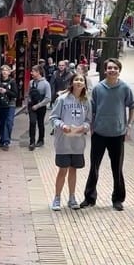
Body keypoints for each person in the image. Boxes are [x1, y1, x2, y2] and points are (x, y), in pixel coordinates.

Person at [81, 58, 134, 211]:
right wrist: (91, 126)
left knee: (117, 168)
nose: (112, 70)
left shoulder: (125, 88)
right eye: (110, 68)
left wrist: (129, 125)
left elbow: (132, 106)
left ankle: (118, 199)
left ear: (119, 71)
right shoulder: (98, 88)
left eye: (115, 68)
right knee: (94, 167)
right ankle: (89, 197)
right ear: (105, 70)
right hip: (99, 133)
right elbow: (92, 109)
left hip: (117, 134)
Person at [48, 74, 91, 211]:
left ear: (84, 84)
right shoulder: (62, 99)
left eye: (81, 80)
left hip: (78, 143)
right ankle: (57, 198)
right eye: (76, 80)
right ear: (72, 82)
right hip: (63, 142)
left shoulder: (86, 101)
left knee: (73, 170)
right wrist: (62, 126)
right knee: (63, 170)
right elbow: (53, 117)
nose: (79, 82)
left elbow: (89, 120)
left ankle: (72, 198)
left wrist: (84, 127)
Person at [0, 64, 18, 151]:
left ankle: (6, 142)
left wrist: (6, 91)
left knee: (9, 122)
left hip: (10, 104)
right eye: (2, 70)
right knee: (2, 123)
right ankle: (2, 140)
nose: (4, 72)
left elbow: (15, 94)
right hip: (1, 104)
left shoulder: (12, 82)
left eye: (6, 70)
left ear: (9, 72)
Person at [28, 65, 51, 150]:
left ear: (38, 72)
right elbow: (28, 95)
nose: (31, 73)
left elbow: (48, 98)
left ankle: (41, 140)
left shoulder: (46, 84)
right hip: (32, 106)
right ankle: (32, 142)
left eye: (33, 71)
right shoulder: (31, 82)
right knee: (32, 122)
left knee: (40, 123)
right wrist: (28, 105)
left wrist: (38, 106)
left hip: (41, 107)